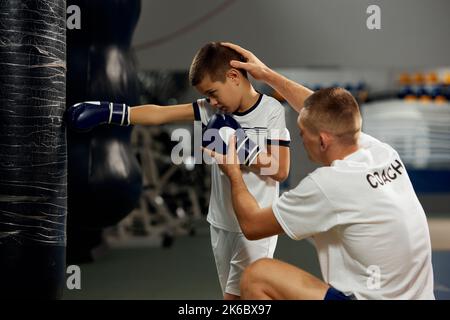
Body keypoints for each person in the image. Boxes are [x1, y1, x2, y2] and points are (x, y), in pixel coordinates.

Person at [203, 42, 435, 300]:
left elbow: (253, 226)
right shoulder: (381, 152)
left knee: (257, 276)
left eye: (302, 135)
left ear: (322, 140)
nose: (302, 141)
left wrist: (233, 171)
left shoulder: (328, 185)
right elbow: (325, 111)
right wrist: (267, 74)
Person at [66, 42, 291, 300]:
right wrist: (110, 112)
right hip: (221, 222)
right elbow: (162, 114)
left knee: (242, 299)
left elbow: (281, 169)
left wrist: (241, 147)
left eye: (214, 92)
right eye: (208, 97)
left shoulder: (270, 111)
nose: (212, 101)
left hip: (256, 224)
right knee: (233, 298)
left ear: (233, 77)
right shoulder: (212, 109)